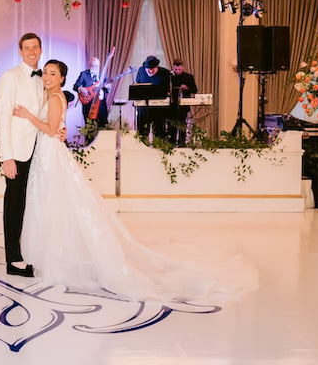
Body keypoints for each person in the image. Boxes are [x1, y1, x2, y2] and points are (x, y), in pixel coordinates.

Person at [13, 59, 258, 303]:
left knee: (53, 203)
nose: (47, 77)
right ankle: (52, 255)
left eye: (52, 74)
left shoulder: (56, 98)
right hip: (46, 154)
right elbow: (55, 128)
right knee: (49, 203)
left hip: (50, 156)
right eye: (45, 73)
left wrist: (27, 116)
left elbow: (50, 127)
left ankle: (56, 258)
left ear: (62, 79)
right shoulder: (50, 95)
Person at [0, 32, 45, 278]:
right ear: (21, 51)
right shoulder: (10, 77)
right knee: (14, 204)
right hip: (18, 152)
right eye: (27, 48)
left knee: (32, 202)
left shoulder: (44, 77)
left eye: (35, 47)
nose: (32, 52)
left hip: (41, 148)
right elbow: (2, 117)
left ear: (41, 49)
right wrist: (7, 156)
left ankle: (32, 250)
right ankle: (13, 260)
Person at [135, 55, 170, 139]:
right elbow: (138, 84)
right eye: (148, 70)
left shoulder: (165, 73)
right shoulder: (141, 71)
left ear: (157, 67)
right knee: (142, 131)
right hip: (144, 108)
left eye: (152, 70)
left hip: (159, 108)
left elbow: (168, 90)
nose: (150, 72)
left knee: (159, 131)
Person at [73, 56, 111, 128]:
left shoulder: (103, 76)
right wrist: (81, 88)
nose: (96, 68)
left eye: (98, 66)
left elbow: (107, 90)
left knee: (103, 127)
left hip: (101, 106)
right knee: (89, 128)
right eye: (94, 66)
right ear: (90, 65)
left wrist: (108, 88)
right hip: (89, 105)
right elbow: (75, 86)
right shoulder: (84, 75)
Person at [169, 58, 198, 146]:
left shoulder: (189, 77)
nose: (177, 71)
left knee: (182, 126)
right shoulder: (170, 77)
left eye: (179, 69)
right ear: (173, 68)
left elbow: (195, 90)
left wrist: (187, 88)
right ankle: (172, 144)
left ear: (183, 68)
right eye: (176, 69)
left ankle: (182, 144)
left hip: (184, 106)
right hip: (172, 106)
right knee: (172, 126)